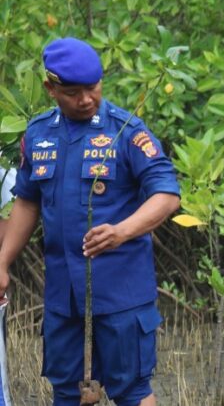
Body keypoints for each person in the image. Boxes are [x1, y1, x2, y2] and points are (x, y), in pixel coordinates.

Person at [0, 37, 181, 406]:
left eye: (93, 88)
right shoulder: (38, 133)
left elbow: (167, 195)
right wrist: (2, 261)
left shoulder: (126, 130)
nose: (86, 99)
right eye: (73, 93)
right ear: (51, 88)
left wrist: (121, 232)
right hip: (63, 296)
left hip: (120, 293)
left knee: (132, 391)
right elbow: (27, 202)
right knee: (68, 391)